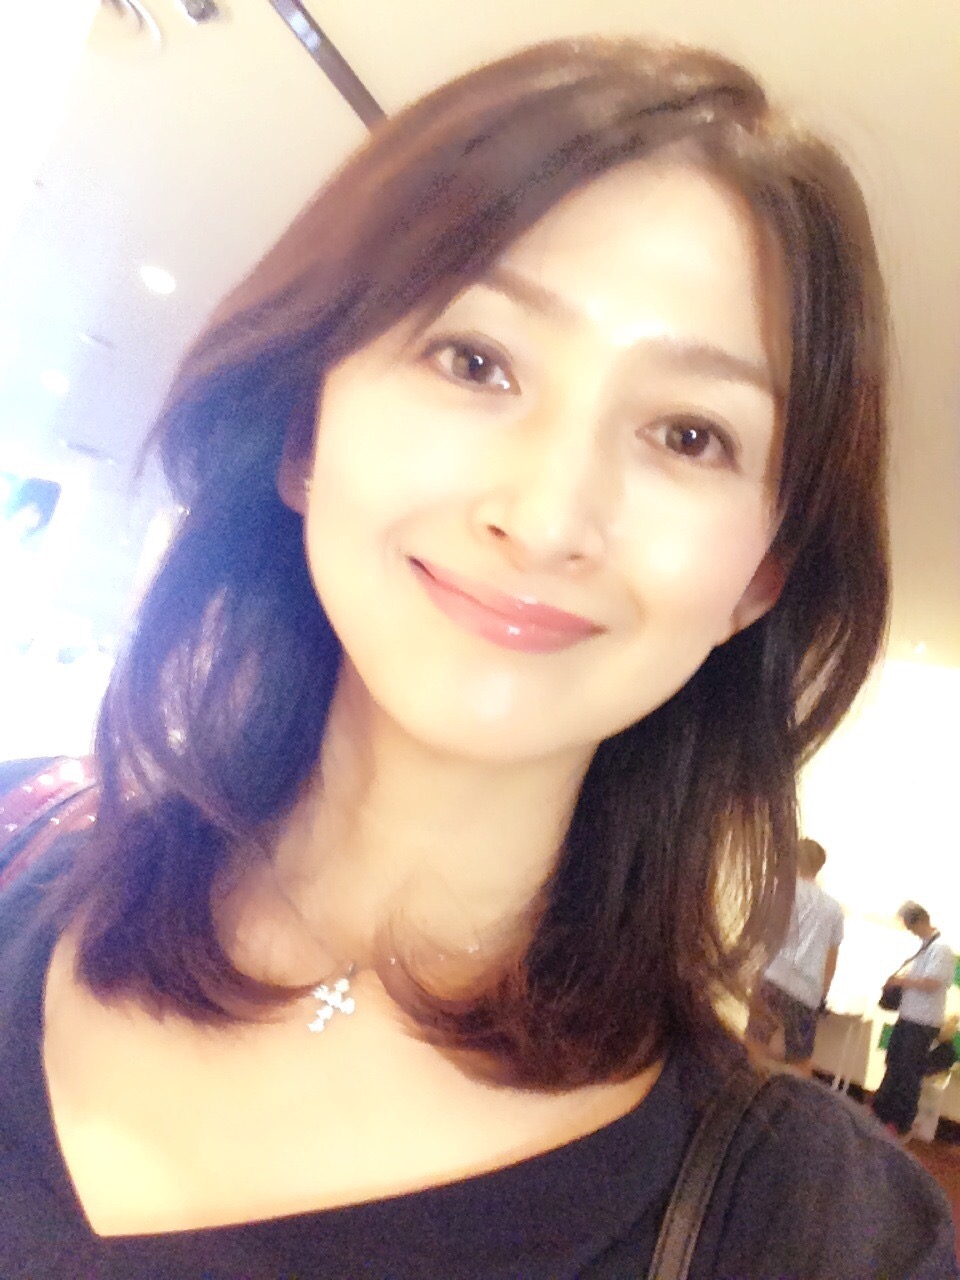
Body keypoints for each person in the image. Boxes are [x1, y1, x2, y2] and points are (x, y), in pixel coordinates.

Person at [0, 36, 955, 1279]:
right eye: (476, 360)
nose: (548, 518)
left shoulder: (823, 1236)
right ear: (306, 429)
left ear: (759, 577)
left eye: (688, 433)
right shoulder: (18, 861)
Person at [745, 837, 843, 1076]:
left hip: (774, 976)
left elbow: (765, 938)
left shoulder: (781, 891)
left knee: (755, 1042)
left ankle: (747, 1091)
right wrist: (821, 995)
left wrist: (755, 976)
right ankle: (797, 1100)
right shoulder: (833, 909)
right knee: (800, 1058)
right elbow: (831, 961)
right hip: (806, 990)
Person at [873, 902, 957, 1139]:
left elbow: (933, 983)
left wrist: (901, 982)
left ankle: (900, 1123)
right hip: (909, 1018)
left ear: (918, 921)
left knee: (908, 1074)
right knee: (894, 1065)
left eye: (910, 926)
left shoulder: (941, 949)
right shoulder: (925, 947)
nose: (910, 931)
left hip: (923, 1023)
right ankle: (881, 1113)